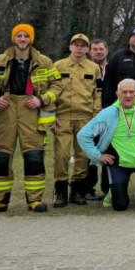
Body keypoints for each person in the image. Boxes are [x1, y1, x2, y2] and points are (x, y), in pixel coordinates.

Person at [0, 24, 59, 214]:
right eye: (19, 36)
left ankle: (35, 199)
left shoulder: (44, 61)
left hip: (31, 110)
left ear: (31, 39)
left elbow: (57, 87)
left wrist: (42, 99)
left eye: (26, 36)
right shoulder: (0, 60)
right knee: (0, 157)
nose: (22, 39)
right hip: (5, 108)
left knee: (34, 157)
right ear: (14, 39)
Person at [77, 79, 135, 212]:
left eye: (131, 92)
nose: (128, 95)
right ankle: (112, 192)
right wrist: (97, 155)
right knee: (120, 206)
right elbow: (83, 135)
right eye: (124, 92)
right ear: (117, 94)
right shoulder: (108, 113)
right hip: (119, 162)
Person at [49, 33, 102, 208]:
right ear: (70, 46)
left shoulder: (94, 68)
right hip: (63, 117)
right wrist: (52, 114)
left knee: (82, 156)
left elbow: (97, 94)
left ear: (87, 49)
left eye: (82, 45)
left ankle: (78, 191)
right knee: (62, 154)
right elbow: (51, 91)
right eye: (76, 45)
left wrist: (96, 117)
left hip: (85, 118)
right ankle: (60, 192)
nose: (79, 48)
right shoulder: (58, 66)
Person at [81, 38, 110, 199]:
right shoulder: (86, 68)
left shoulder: (112, 68)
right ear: (90, 51)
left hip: (109, 115)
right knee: (89, 153)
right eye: (95, 49)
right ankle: (87, 188)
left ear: (106, 51)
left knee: (107, 150)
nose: (98, 51)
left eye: (101, 49)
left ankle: (107, 188)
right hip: (90, 115)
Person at [102, 25, 135, 108]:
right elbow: (108, 81)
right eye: (134, 35)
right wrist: (108, 104)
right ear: (129, 39)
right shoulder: (117, 57)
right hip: (120, 103)